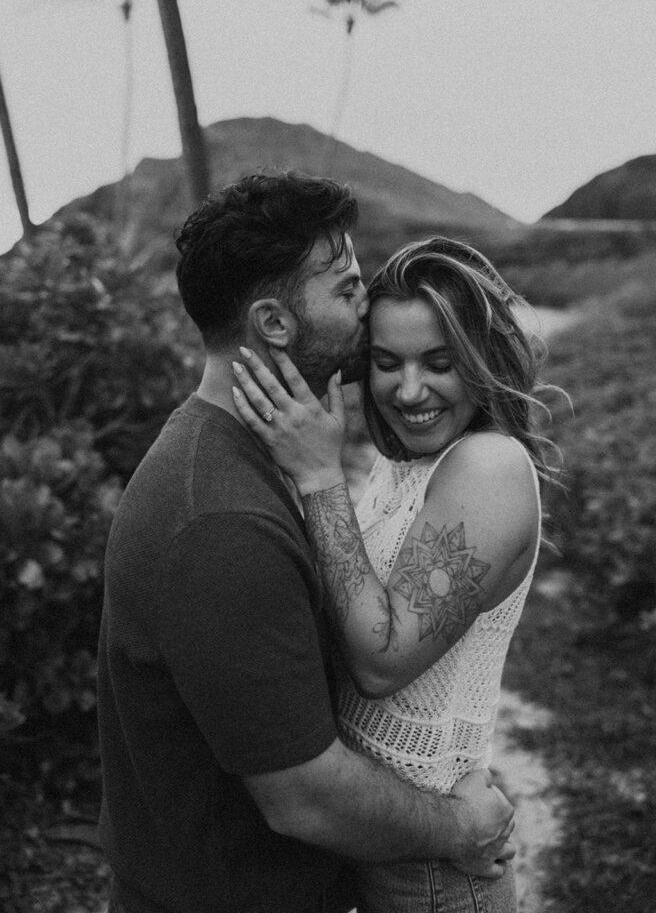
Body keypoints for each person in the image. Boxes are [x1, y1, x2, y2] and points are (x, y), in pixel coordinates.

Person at [97, 173, 515, 913]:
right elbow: (303, 798)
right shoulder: (219, 518)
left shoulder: (243, 457)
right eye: (346, 289)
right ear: (274, 323)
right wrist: (456, 825)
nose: (367, 307)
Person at [231, 235, 562, 913]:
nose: (409, 391)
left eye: (438, 363)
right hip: (381, 836)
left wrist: (320, 474)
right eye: (386, 363)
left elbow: (381, 663)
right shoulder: (406, 462)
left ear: (479, 359)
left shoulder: (489, 467)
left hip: (437, 870)